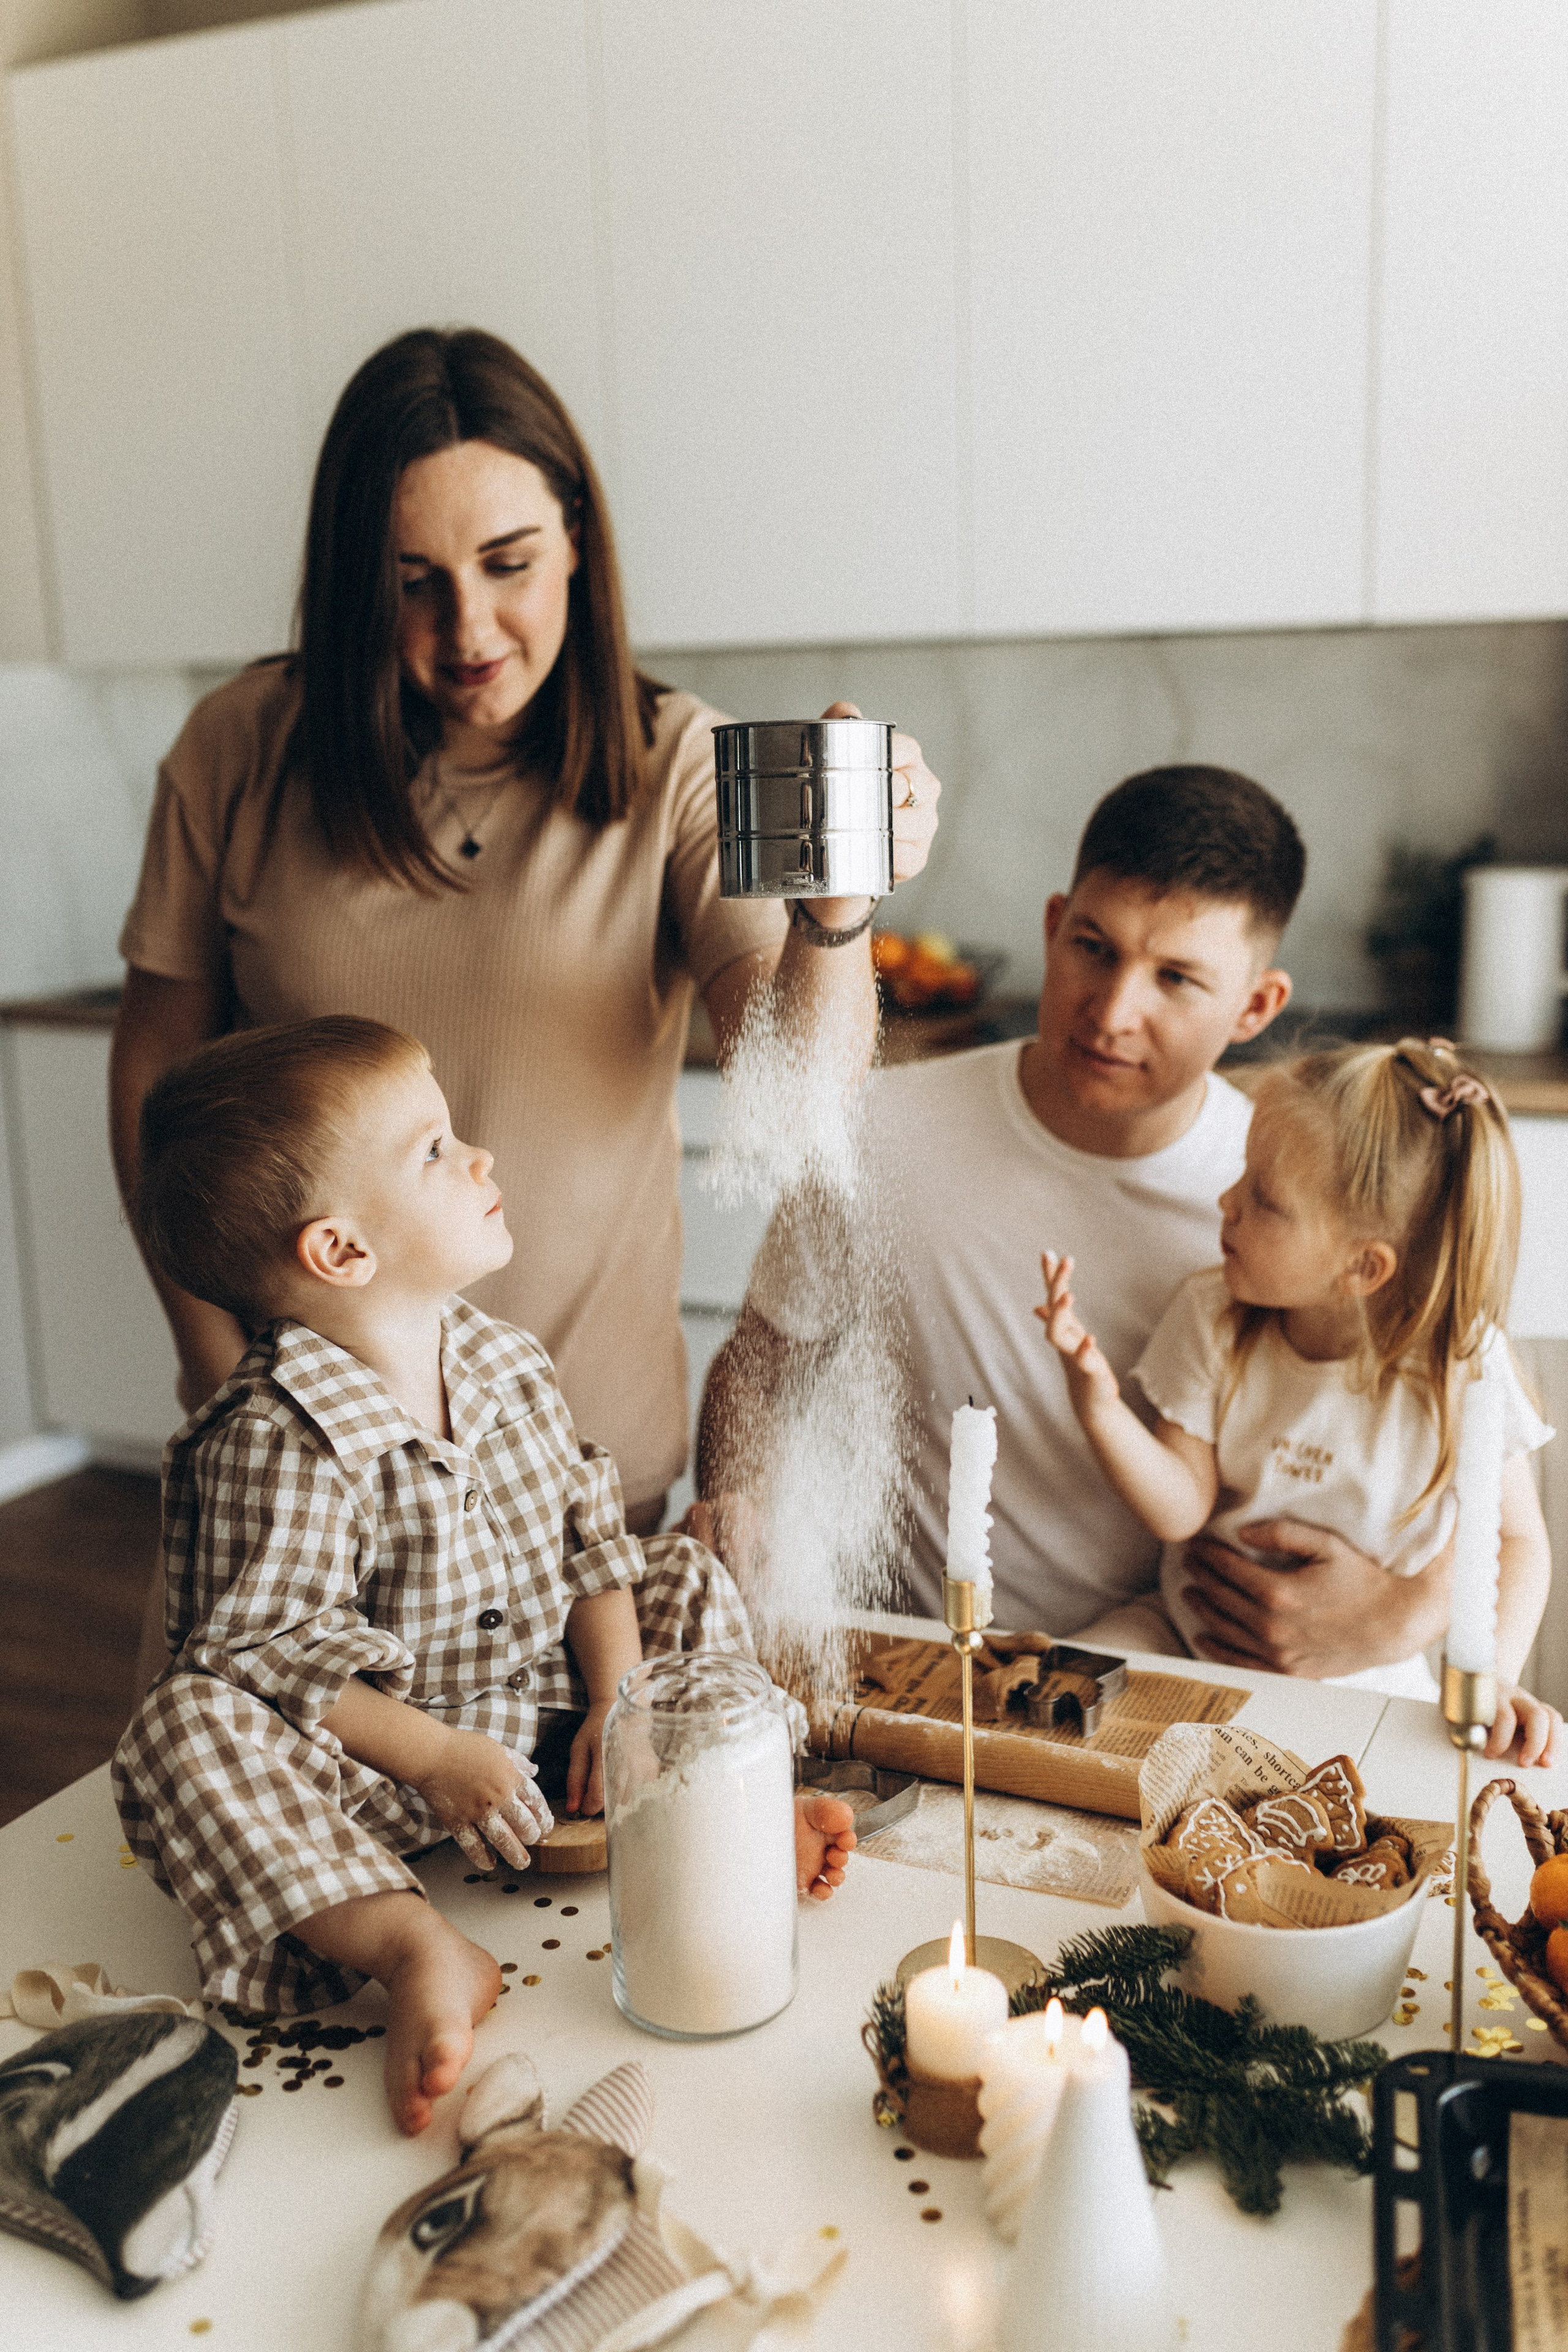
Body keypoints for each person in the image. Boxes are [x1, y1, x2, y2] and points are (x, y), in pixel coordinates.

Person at [110, 326, 940, 1604]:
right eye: (411, 581)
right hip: (307, 1473)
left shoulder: (676, 767)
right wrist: (208, 1351)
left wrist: (834, 920)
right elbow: (161, 1064)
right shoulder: (239, 747)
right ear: (350, 582)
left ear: (577, 545)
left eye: (508, 566)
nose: (469, 630)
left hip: (590, 1477)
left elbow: (796, 1091)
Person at [113, 1017, 854, 2136]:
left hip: (556, 1719)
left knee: (686, 1579)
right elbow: (267, 1665)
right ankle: (414, 1944)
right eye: (433, 1151)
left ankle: (723, 1813)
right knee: (187, 1726)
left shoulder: (504, 1361)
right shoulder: (274, 1440)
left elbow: (591, 1540)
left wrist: (618, 1699)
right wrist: (439, 1757)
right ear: (341, 1253)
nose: (480, 1160)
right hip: (389, 1781)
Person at [695, 766, 1453, 1680]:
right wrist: (738, 1496)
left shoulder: (1294, 1194)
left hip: (1189, 1675)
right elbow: (760, 1361)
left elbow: (1460, 1429)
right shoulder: (881, 1129)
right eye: (1095, 948)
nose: (1113, 1011)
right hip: (928, 1667)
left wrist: (1407, 1612)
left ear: (1257, 1007)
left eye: (1177, 978)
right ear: (1053, 928)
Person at [1039, 1038, 1559, 1757]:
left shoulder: (1462, 1365)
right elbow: (1179, 1507)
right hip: (1187, 1636)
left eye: (1264, 1200)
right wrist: (1097, 1401)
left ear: (1362, 1267)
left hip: (1364, 1672)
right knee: (1054, 1685)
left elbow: (1516, 1540)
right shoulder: (1212, 1314)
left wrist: (1493, 1677)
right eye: (1241, 1178)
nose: (1225, 1204)